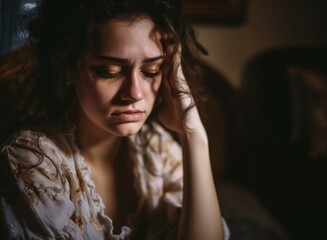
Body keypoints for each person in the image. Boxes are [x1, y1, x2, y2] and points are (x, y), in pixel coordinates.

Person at [0, 0, 230, 239]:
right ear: (68, 68)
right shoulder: (32, 162)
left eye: (151, 71)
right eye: (109, 71)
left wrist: (193, 134)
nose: (135, 93)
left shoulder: (159, 152)